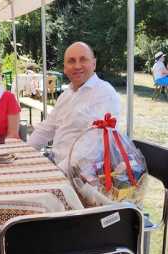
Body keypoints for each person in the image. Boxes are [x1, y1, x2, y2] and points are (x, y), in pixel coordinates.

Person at [28, 41, 120, 170]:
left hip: (85, 176)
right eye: (71, 61)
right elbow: (46, 129)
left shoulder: (104, 93)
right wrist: (24, 153)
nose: (77, 66)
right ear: (65, 68)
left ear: (94, 63)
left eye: (83, 59)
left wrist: (59, 173)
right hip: (56, 163)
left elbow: (92, 146)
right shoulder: (67, 94)